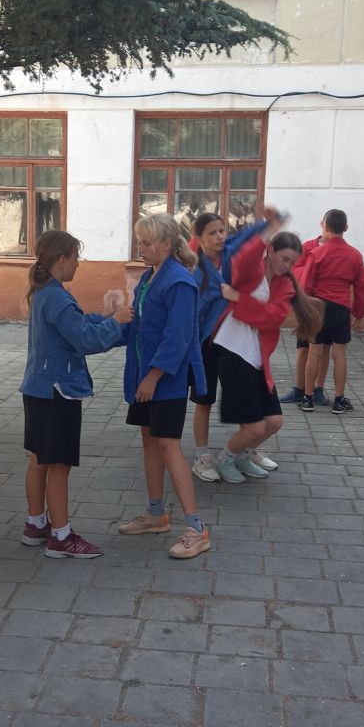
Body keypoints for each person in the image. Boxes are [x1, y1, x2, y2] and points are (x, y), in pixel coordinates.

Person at [20, 231, 131, 559]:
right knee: (59, 464)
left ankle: (36, 524)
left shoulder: (46, 292)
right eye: (75, 257)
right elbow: (85, 340)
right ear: (61, 259)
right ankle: (61, 536)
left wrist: (107, 318)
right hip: (58, 391)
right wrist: (117, 322)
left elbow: (77, 324)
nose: (78, 264)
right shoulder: (56, 297)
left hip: (39, 389)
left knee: (40, 458)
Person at [118, 213, 210, 560]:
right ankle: (156, 514)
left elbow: (178, 337)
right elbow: (138, 327)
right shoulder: (149, 277)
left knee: (169, 446)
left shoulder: (179, 282)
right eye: (139, 242)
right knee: (149, 440)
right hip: (145, 377)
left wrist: (153, 376)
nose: (140, 248)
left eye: (146, 243)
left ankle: (197, 529)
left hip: (165, 381)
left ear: (167, 244)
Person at [212, 224, 324, 483]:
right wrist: (270, 227)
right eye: (284, 259)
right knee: (254, 426)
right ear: (270, 251)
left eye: (293, 262)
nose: (288, 266)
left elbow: (272, 318)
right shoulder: (252, 270)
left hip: (257, 358)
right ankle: (225, 459)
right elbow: (245, 255)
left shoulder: (285, 284)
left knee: (274, 422)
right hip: (233, 352)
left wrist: (239, 299)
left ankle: (243, 457)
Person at [187, 211, 280, 482]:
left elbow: (248, 235)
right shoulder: (196, 272)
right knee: (203, 400)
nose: (220, 236)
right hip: (206, 342)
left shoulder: (230, 253)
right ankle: (202, 457)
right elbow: (192, 312)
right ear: (198, 238)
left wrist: (272, 222)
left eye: (222, 230)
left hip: (234, 341)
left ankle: (246, 451)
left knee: (242, 395)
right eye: (212, 233)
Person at [297, 209, 364, 415]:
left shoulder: (316, 253)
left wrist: (305, 309)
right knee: (339, 353)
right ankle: (339, 400)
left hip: (318, 307)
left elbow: (306, 284)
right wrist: (358, 313)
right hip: (341, 308)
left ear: (325, 227)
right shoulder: (355, 255)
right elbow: (362, 288)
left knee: (314, 352)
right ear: (346, 228)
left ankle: (307, 398)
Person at [280, 213, 340, 404]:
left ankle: (318, 388)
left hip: (327, 306)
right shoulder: (309, 247)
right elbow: (297, 270)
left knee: (324, 349)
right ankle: (299, 388)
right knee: (303, 348)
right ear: (322, 224)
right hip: (308, 304)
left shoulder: (338, 250)